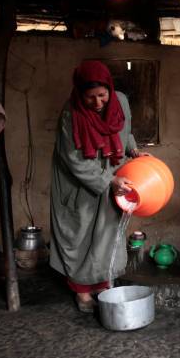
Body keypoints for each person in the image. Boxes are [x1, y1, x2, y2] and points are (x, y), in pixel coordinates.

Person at [50, 60, 148, 312]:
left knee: (107, 233)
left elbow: (125, 131)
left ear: (110, 89)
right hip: (80, 182)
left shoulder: (121, 101)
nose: (97, 103)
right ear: (80, 94)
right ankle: (82, 291)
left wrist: (134, 151)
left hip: (113, 174)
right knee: (79, 235)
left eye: (102, 95)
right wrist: (108, 180)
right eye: (90, 97)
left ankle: (103, 284)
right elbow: (72, 159)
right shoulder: (70, 114)